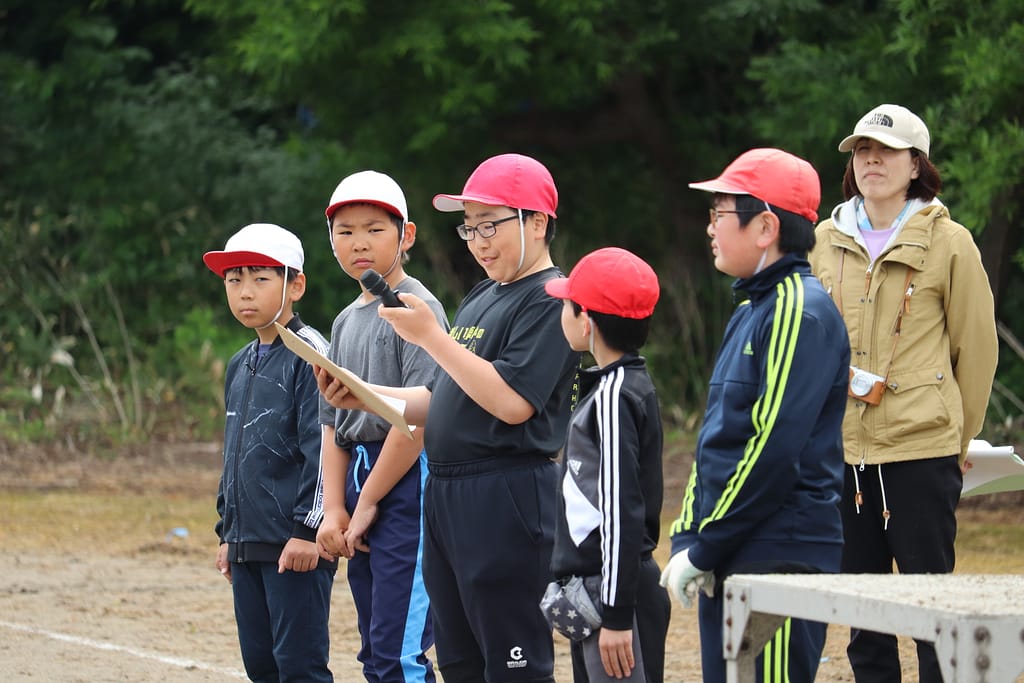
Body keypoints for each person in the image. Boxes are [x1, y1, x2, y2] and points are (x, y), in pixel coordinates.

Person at [317, 153, 581, 683]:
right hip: (448, 494)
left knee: (513, 662)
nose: (479, 241)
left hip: (505, 491)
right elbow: (442, 399)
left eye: (490, 225)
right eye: (469, 228)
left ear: (537, 222)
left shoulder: (551, 297)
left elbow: (512, 403)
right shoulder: (484, 294)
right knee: (459, 660)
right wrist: (363, 396)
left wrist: (431, 338)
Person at [808, 104, 998, 683]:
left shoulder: (951, 243)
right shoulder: (822, 241)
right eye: (862, 151)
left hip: (921, 450)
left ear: (916, 165)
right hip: (843, 453)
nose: (871, 160)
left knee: (931, 612)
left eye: (886, 151)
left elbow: (976, 351)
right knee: (864, 619)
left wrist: (957, 439)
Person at [660, 149, 851, 683]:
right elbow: (716, 437)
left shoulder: (799, 309)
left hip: (778, 552)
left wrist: (707, 545)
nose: (710, 228)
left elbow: (773, 448)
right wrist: (689, 535)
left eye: (719, 214)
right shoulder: (750, 310)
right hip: (732, 548)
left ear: (766, 227)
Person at [315, 170, 446, 683]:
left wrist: (369, 500)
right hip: (358, 475)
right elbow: (333, 424)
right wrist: (335, 507)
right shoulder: (345, 320)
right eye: (345, 232)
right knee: (374, 652)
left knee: (400, 654)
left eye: (374, 229)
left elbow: (418, 424)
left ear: (406, 235)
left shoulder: (416, 308)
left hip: (405, 483)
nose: (359, 243)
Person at [204, 222, 335, 683]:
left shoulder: (311, 354)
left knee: (299, 667)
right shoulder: (240, 363)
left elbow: (325, 444)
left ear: (295, 285)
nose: (245, 292)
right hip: (249, 543)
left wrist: (308, 530)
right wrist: (228, 534)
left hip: (295, 543)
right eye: (234, 279)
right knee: (261, 667)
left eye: (260, 279)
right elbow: (234, 453)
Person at [544, 247, 671, 683]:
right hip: (603, 589)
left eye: (567, 304)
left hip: (614, 593)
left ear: (587, 321)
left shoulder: (616, 397)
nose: (562, 312)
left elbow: (620, 508)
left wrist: (616, 615)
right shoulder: (615, 386)